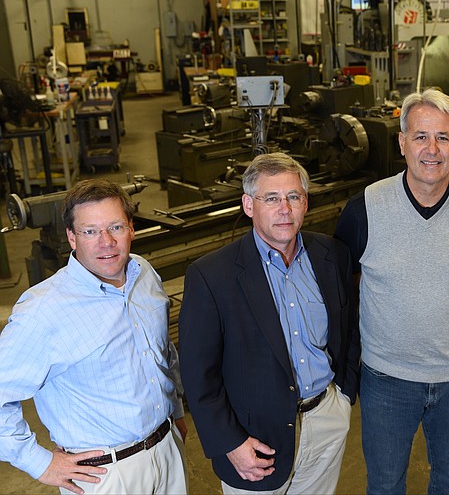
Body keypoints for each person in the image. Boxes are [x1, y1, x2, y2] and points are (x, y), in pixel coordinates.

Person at [334, 88, 449, 494]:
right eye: (420, 136)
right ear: (402, 141)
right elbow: (342, 289)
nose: (432, 149)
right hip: (387, 380)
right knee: (386, 485)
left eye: (443, 137)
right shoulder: (364, 210)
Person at [179, 153, 359, 494]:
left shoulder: (331, 254)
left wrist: (344, 397)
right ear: (249, 205)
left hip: (326, 420)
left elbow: (348, 328)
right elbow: (198, 374)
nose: (284, 209)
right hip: (254, 441)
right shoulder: (212, 276)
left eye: (293, 197)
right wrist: (229, 442)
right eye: (271, 198)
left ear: (305, 202)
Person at [0, 179, 188, 495]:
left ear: (132, 228)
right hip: (104, 475)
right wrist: (38, 462)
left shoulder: (143, 273)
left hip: (167, 449)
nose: (106, 242)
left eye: (115, 227)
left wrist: (177, 411)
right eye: (90, 231)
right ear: (71, 237)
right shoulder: (43, 310)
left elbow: (162, 352)